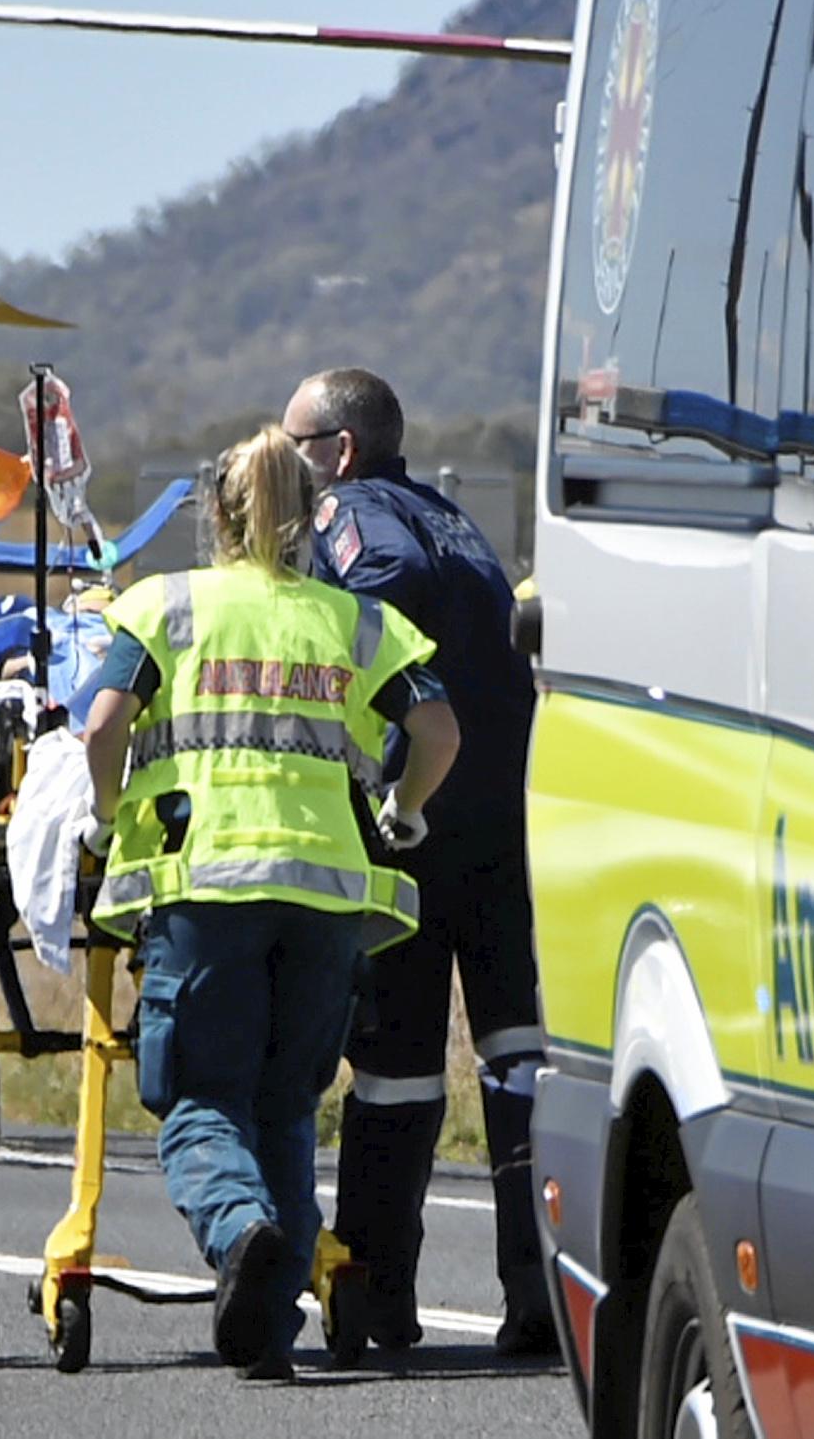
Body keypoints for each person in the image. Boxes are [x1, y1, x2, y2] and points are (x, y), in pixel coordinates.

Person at [80, 425, 460, 1382]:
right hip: (327, 894)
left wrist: (104, 814)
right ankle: (268, 1327)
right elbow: (438, 728)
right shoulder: (353, 620)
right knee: (289, 1105)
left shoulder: (165, 606)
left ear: (218, 510)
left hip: (206, 884)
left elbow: (102, 724)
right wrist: (402, 811)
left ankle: (239, 1227)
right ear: (310, 515)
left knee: (201, 1099)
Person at [280, 366, 555, 1355]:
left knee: (394, 1065)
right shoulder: (452, 517)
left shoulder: (349, 516)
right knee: (518, 1058)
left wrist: (383, 755)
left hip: (417, 825)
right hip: (501, 825)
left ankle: (374, 1298)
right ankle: (541, 1296)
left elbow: (376, 588)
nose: (284, 461)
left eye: (293, 441)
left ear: (338, 450)